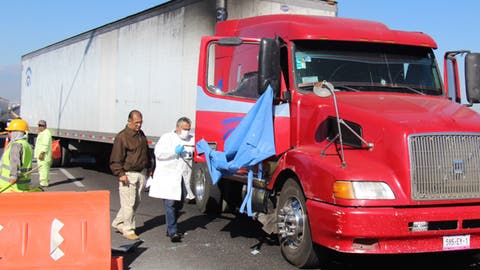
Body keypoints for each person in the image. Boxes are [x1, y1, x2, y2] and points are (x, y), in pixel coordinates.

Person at [148, 116, 194, 242]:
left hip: (183, 178)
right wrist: (174, 152)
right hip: (169, 177)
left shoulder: (191, 139)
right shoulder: (167, 138)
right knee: (170, 203)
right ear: (178, 127)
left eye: (189, 129)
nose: (187, 132)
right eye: (185, 129)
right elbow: (159, 153)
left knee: (179, 204)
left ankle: (170, 226)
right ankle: (173, 231)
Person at [110, 110, 152, 240]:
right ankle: (128, 229)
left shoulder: (141, 135)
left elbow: (146, 153)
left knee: (135, 202)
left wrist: (150, 167)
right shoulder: (122, 137)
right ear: (129, 121)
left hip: (141, 173)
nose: (139, 125)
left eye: (140, 122)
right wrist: (120, 173)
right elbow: (115, 158)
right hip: (128, 174)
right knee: (128, 203)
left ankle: (118, 222)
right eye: (136, 123)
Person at [0, 119, 33, 192]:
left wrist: (13, 176)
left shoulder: (16, 145)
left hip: (10, 187)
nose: (8, 133)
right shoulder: (27, 145)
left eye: (10, 131)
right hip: (23, 186)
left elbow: (15, 161)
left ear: (16, 132)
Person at [34, 120, 52, 187]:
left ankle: (43, 183)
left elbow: (45, 144)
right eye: (39, 125)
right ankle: (45, 181)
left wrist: (42, 153)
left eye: (41, 126)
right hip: (43, 155)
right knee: (44, 169)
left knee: (43, 169)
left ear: (44, 126)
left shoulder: (46, 133)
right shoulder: (43, 133)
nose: (39, 127)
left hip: (44, 156)